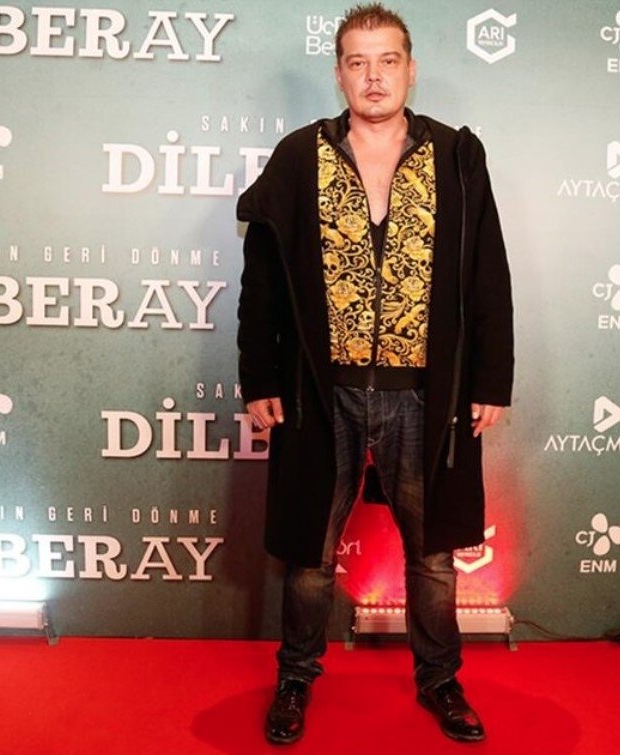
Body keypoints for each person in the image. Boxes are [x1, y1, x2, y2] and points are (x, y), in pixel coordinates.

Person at [236, 3, 513, 745]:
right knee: (310, 553)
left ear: (410, 69)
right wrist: (259, 376)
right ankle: (296, 678)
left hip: (425, 394)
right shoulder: (300, 156)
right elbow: (262, 278)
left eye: (387, 61)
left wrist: (492, 379)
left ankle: (441, 680)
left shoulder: (456, 155)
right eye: (357, 63)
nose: (374, 76)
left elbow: (488, 271)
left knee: (432, 554)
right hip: (319, 392)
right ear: (339, 74)